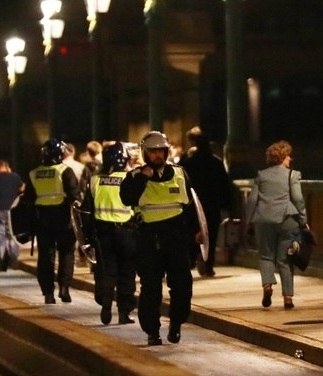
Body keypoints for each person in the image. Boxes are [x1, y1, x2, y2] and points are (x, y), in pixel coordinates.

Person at [120, 130, 201, 346]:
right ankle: (152, 331)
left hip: (176, 237)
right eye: (153, 151)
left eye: (161, 151)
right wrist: (143, 178)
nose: (158, 155)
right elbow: (127, 198)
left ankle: (176, 324)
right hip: (148, 237)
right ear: (145, 153)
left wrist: (198, 231)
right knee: (151, 288)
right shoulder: (134, 177)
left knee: (182, 285)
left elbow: (191, 206)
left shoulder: (180, 174)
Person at [245, 140, 309, 310]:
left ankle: (267, 286)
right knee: (285, 259)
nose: (290, 160)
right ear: (282, 158)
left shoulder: (261, 175)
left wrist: (249, 221)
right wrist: (303, 221)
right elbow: (298, 199)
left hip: (264, 220)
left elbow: (252, 200)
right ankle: (287, 297)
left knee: (266, 256)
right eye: (288, 156)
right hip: (287, 219)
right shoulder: (292, 175)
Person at [80, 141, 137, 325]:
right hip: (127, 231)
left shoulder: (96, 180)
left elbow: (87, 211)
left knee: (106, 271)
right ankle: (124, 312)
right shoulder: (132, 178)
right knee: (127, 272)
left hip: (103, 233)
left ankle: (106, 304)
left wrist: (87, 237)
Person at [27, 139, 79, 304]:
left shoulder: (34, 173)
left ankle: (48, 293)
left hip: (42, 219)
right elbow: (74, 195)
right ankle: (64, 288)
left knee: (45, 256)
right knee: (66, 253)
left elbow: (28, 198)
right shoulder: (65, 171)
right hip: (64, 218)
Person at [180, 131, 232, 277]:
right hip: (212, 204)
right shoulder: (216, 162)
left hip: (192, 204)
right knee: (211, 235)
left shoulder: (188, 162)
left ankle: (191, 259)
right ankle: (208, 265)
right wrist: (227, 204)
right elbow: (224, 185)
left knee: (191, 232)